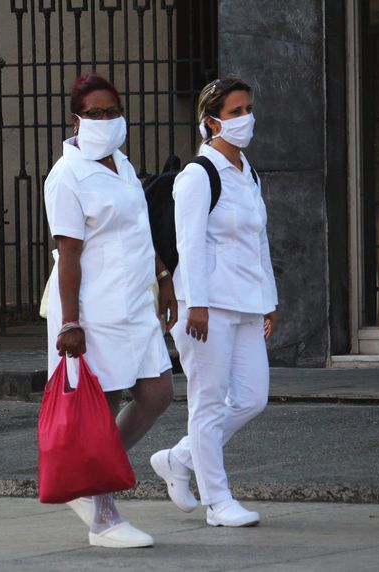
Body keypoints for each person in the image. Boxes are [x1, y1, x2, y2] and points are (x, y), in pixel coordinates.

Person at [44, 72, 177, 548]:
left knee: (157, 393)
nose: (106, 120)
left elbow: (140, 230)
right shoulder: (66, 176)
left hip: (136, 302)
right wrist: (71, 321)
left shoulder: (120, 162)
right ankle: (102, 518)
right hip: (93, 310)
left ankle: (88, 475)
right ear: (75, 119)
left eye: (113, 111)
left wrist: (166, 281)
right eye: (96, 113)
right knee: (101, 407)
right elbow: (69, 256)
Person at [150, 76, 278, 527]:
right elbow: (190, 244)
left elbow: (258, 240)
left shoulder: (249, 173)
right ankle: (218, 502)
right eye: (236, 112)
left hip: (245, 303)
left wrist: (269, 300)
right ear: (211, 122)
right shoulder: (198, 176)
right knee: (206, 404)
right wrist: (196, 305)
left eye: (248, 110)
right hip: (205, 307)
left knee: (251, 398)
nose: (246, 119)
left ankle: (178, 459)